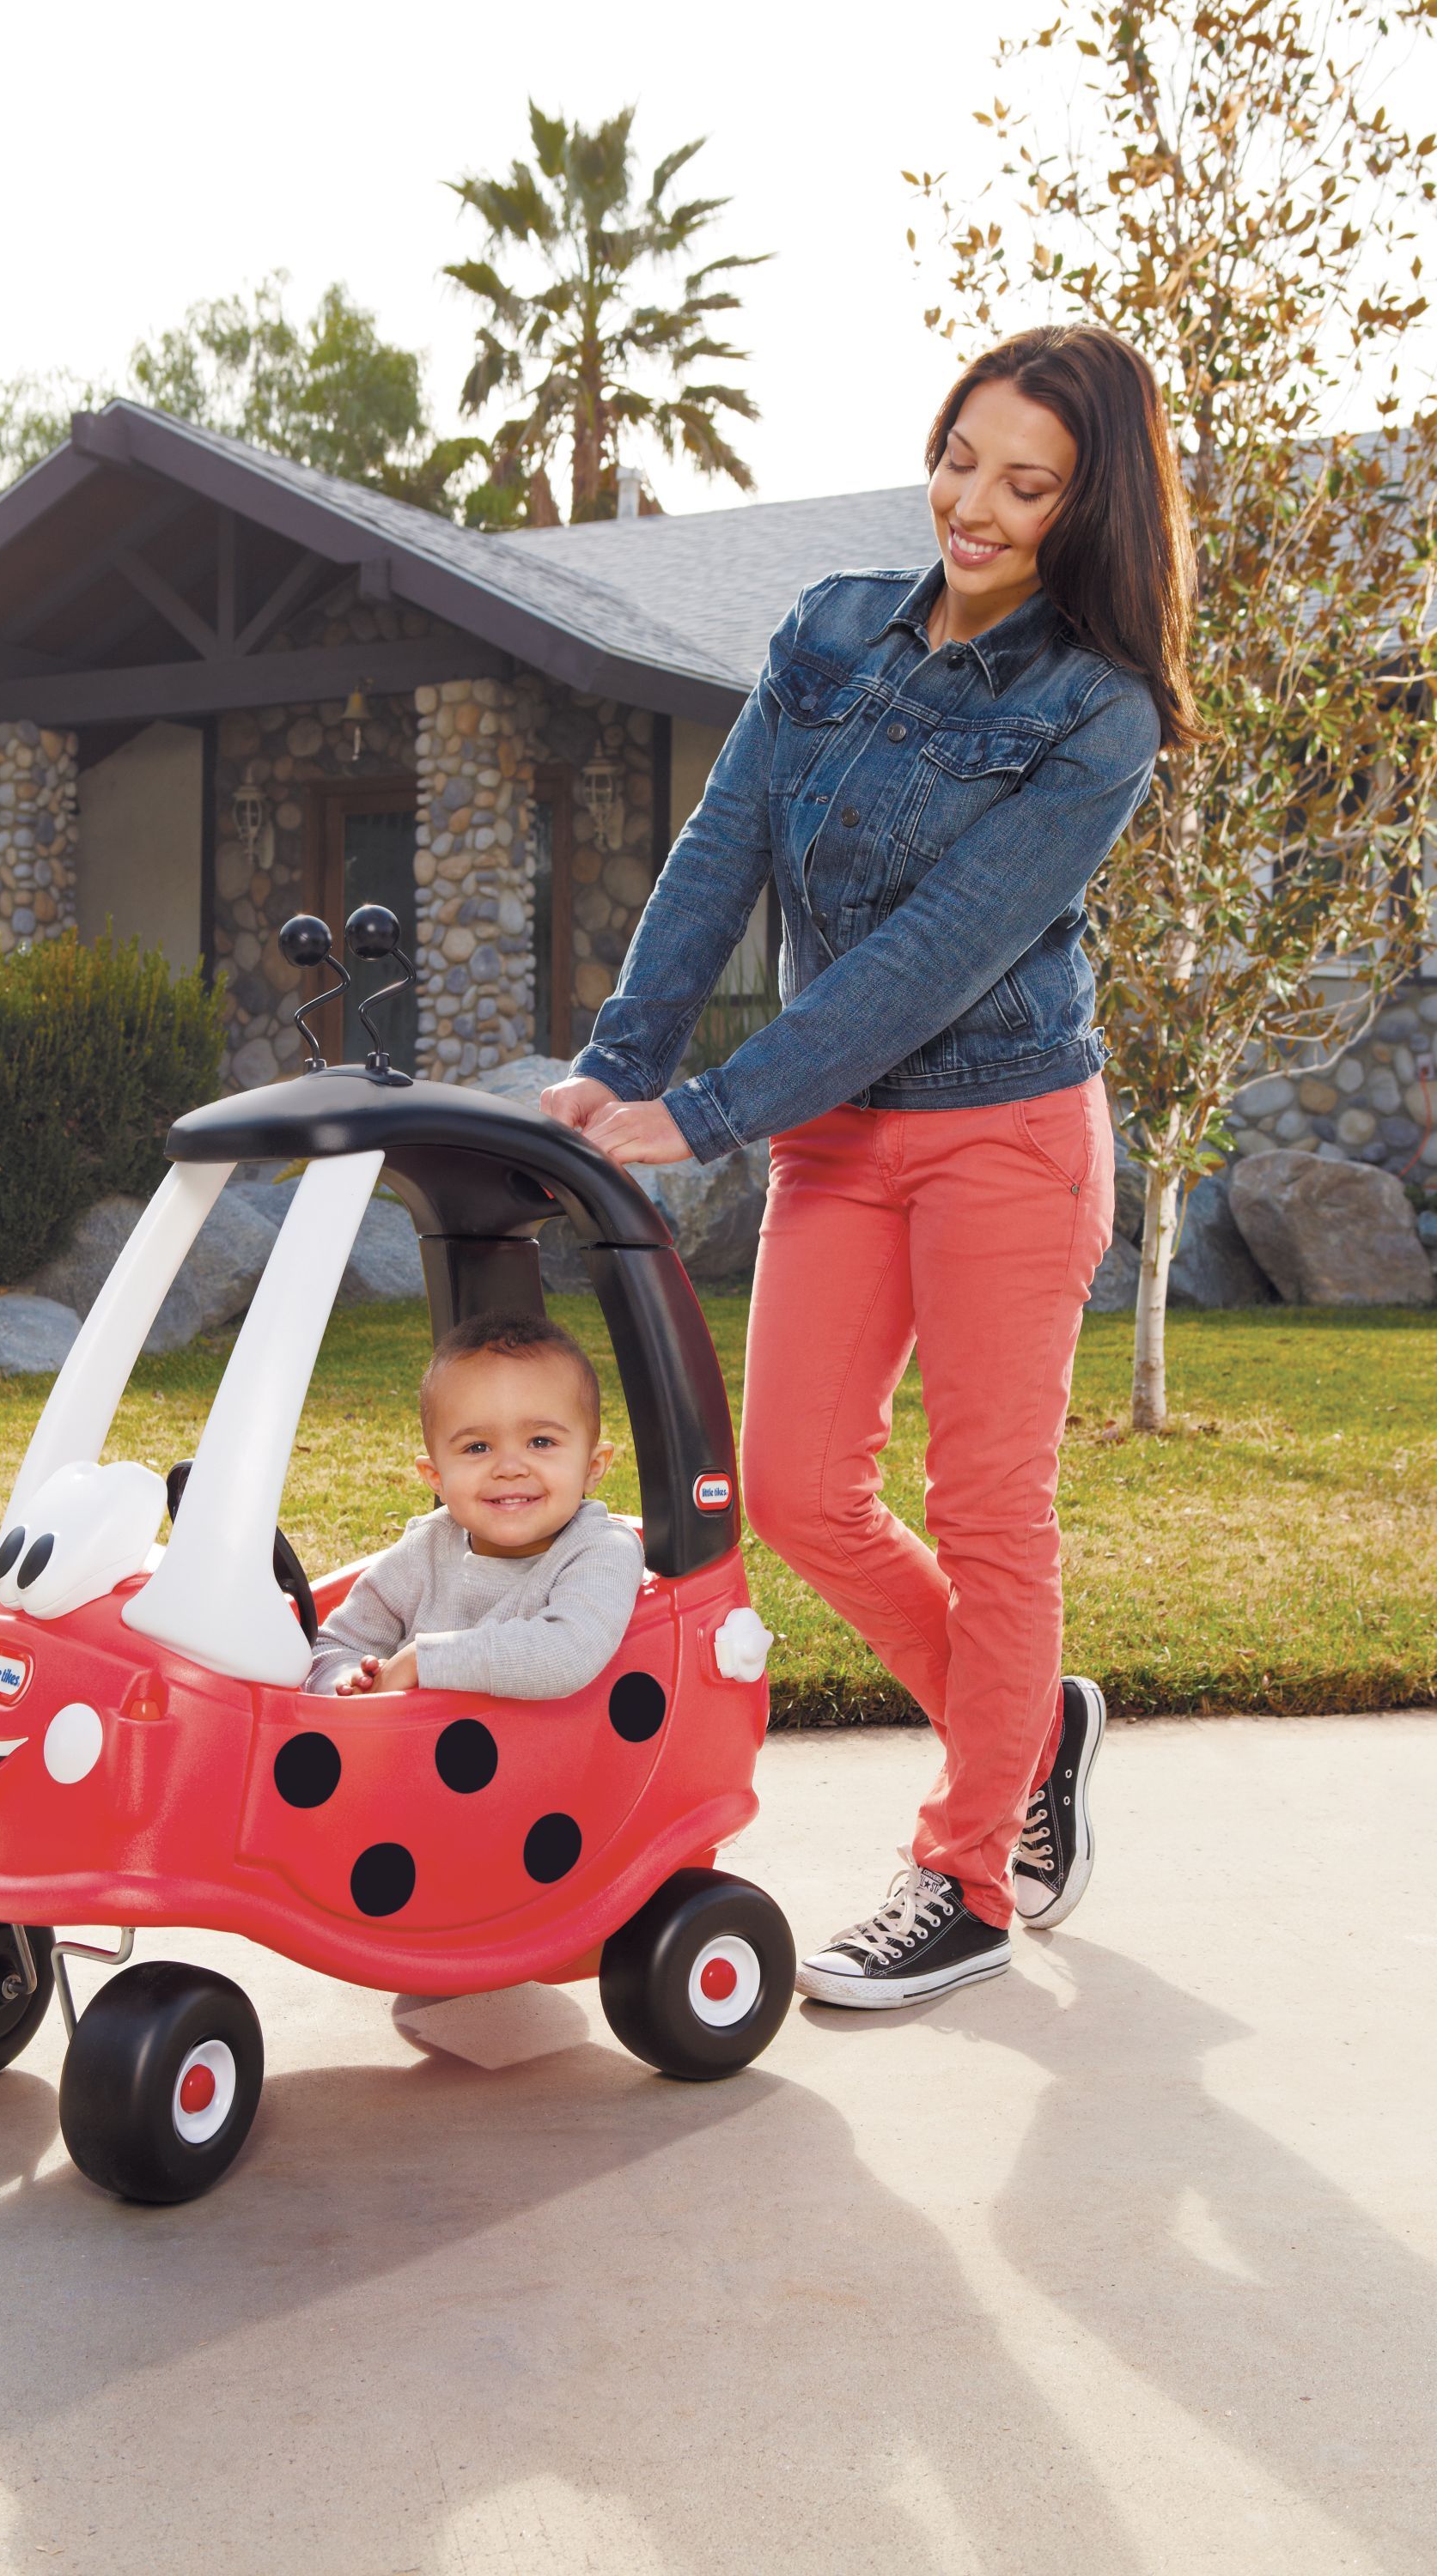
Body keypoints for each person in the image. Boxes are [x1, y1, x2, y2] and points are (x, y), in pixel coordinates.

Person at [543, 324, 1201, 2008]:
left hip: (1005, 1135)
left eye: (1024, 484)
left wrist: (702, 1114)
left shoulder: (1096, 715)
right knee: (793, 1492)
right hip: (843, 1142)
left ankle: (967, 1876)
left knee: (989, 1516)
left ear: (1084, 510)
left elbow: (929, 958)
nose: (972, 506)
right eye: (959, 457)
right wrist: (616, 1066)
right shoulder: (828, 630)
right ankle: (1029, 1722)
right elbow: (715, 860)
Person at [304, 1310, 644, 1700]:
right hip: (406, 1750)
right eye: (477, 1447)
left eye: (541, 1442)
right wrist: (351, 1679)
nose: (510, 1468)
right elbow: (331, 1646)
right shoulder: (425, 1549)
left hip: (560, 1755)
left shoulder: (602, 1550)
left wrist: (419, 1662)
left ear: (592, 1467)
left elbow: (567, 1652)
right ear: (436, 1478)